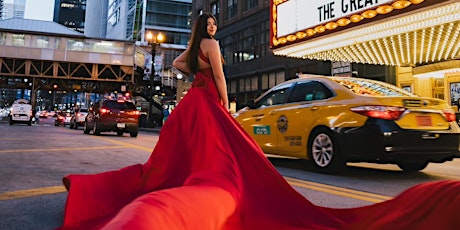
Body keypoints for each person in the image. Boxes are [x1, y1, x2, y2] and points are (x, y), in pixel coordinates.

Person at [57, 13, 460, 230]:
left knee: (186, 155)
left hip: (192, 103)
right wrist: (228, 105)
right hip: (210, 100)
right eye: (210, 25)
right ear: (205, 29)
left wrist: (188, 76)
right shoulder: (212, 46)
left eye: (214, 25)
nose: (213, 29)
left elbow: (182, 64)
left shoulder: (194, 46)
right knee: (224, 153)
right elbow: (220, 77)